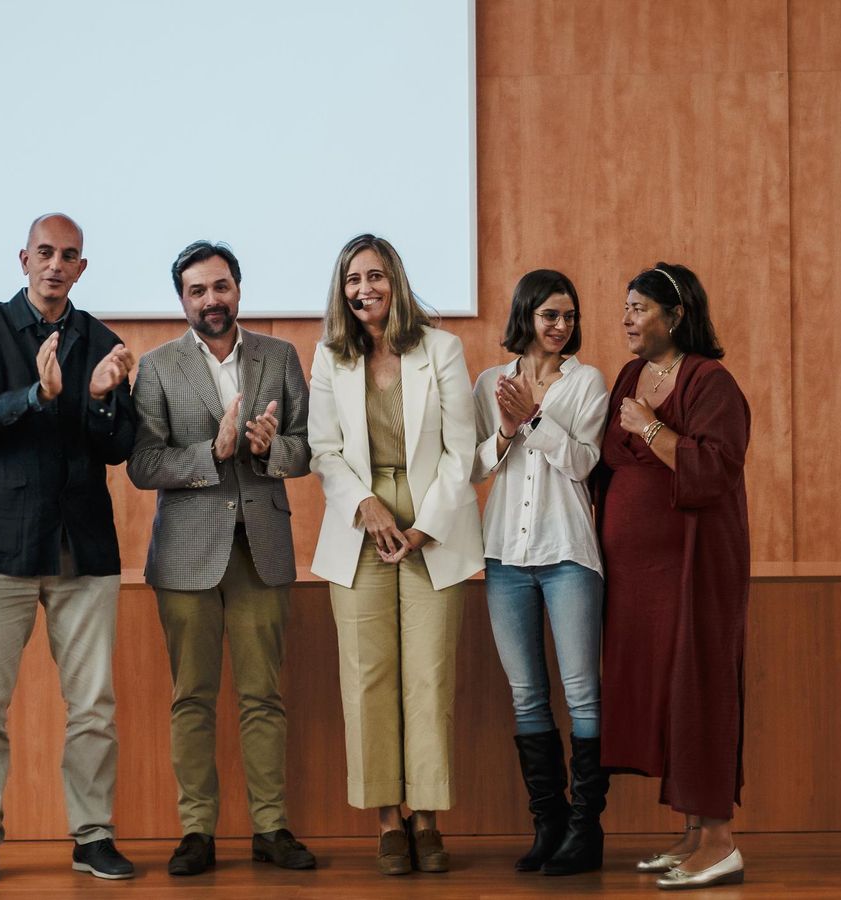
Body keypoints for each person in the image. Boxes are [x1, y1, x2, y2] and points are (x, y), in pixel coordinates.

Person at [0, 213, 137, 885]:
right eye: (45, 252)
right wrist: (36, 395)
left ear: (82, 268)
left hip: (83, 548)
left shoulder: (102, 342)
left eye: (69, 255)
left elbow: (120, 447)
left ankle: (92, 835)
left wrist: (102, 398)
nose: (56, 264)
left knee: (94, 707)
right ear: (23, 259)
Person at [126, 240, 317, 875]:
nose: (212, 299)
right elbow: (143, 464)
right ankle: (196, 832)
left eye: (221, 286)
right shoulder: (157, 367)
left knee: (264, 695)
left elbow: (307, 447)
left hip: (261, 550)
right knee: (192, 697)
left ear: (238, 289)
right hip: (185, 557)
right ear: (182, 300)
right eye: (198, 290)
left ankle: (271, 828)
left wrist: (268, 449)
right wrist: (213, 452)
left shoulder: (279, 356)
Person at [308, 233, 482, 876]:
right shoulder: (330, 356)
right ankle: (388, 820)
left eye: (375, 276)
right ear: (342, 290)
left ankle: (427, 819)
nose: (365, 289)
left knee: (429, 675)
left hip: (434, 520)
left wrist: (426, 525)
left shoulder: (442, 348)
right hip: (359, 523)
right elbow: (323, 451)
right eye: (353, 280)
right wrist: (367, 507)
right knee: (367, 676)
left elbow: (462, 452)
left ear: (396, 282)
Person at [595, 262, 750, 890]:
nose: (627, 319)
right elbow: (608, 460)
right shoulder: (630, 375)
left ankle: (720, 842)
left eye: (639, 308)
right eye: (626, 307)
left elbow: (716, 468)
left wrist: (652, 427)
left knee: (699, 688)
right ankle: (692, 835)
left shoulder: (712, 382)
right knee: (666, 694)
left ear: (677, 314)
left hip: (693, 567)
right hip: (637, 578)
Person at [471, 269, 610, 875]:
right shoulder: (489, 382)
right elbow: (474, 467)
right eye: (550, 315)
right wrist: (505, 431)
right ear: (526, 315)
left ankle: (585, 830)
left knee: (582, 694)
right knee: (526, 694)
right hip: (505, 555)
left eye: (569, 316)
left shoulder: (587, 382)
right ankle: (548, 825)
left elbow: (583, 463)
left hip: (569, 554)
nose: (560, 326)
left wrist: (532, 419)